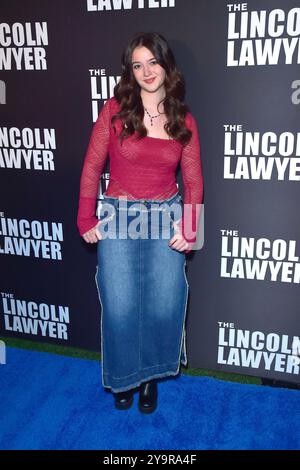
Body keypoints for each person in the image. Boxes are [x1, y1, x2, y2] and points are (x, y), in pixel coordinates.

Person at [77, 31, 203, 414]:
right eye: (137, 65)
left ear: (166, 65)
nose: (146, 71)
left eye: (152, 62)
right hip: (119, 217)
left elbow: (194, 179)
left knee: (163, 305)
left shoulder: (183, 119)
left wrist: (191, 227)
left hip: (166, 217)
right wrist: (86, 216)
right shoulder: (114, 111)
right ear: (130, 72)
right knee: (119, 306)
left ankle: (149, 377)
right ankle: (123, 379)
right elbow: (91, 166)